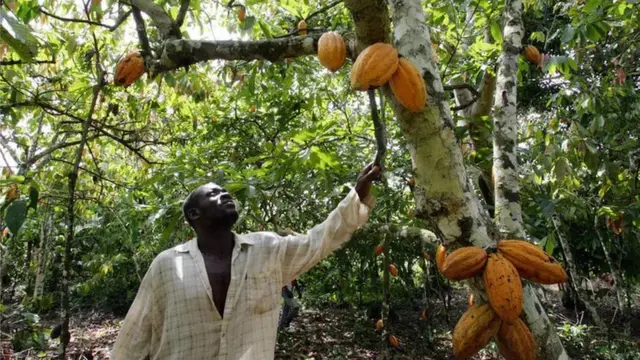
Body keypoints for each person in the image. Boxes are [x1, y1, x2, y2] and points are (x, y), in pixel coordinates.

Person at [110, 163, 381, 360]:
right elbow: (134, 338)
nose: (225, 194)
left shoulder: (267, 248)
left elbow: (317, 242)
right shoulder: (167, 265)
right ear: (194, 215)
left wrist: (356, 194)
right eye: (213, 194)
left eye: (226, 191)